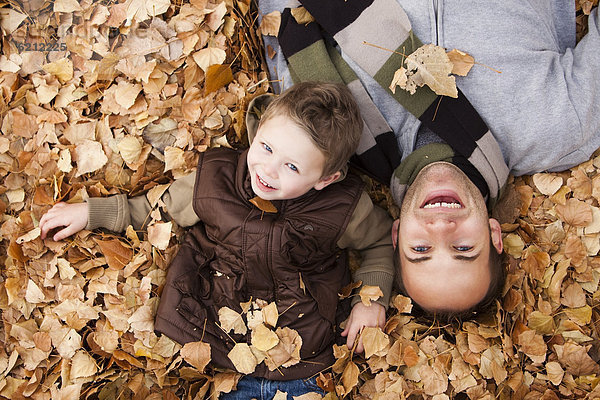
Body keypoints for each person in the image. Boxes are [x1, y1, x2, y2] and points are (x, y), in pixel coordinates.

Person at [39, 82, 395, 398]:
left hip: (300, 342)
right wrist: (92, 213)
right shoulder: (215, 181)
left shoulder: (341, 208)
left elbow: (378, 243)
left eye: (292, 167)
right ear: (257, 130)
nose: (268, 170)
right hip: (210, 330)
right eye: (266, 147)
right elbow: (156, 210)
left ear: (325, 178)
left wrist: (372, 298)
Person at [258, 0, 600, 315]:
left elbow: (285, 18)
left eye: (420, 250)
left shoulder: (326, 130)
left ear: (396, 235)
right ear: (494, 236)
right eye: (464, 248)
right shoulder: (555, 129)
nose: (441, 228)